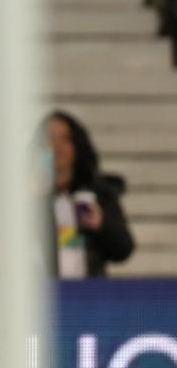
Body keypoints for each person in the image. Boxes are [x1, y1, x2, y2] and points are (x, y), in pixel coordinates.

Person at [45, 110, 134, 277]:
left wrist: (102, 224)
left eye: (64, 139)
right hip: (43, 294)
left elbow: (123, 250)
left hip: (88, 295)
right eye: (50, 139)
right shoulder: (27, 198)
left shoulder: (97, 193)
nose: (57, 147)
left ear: (77, 146)